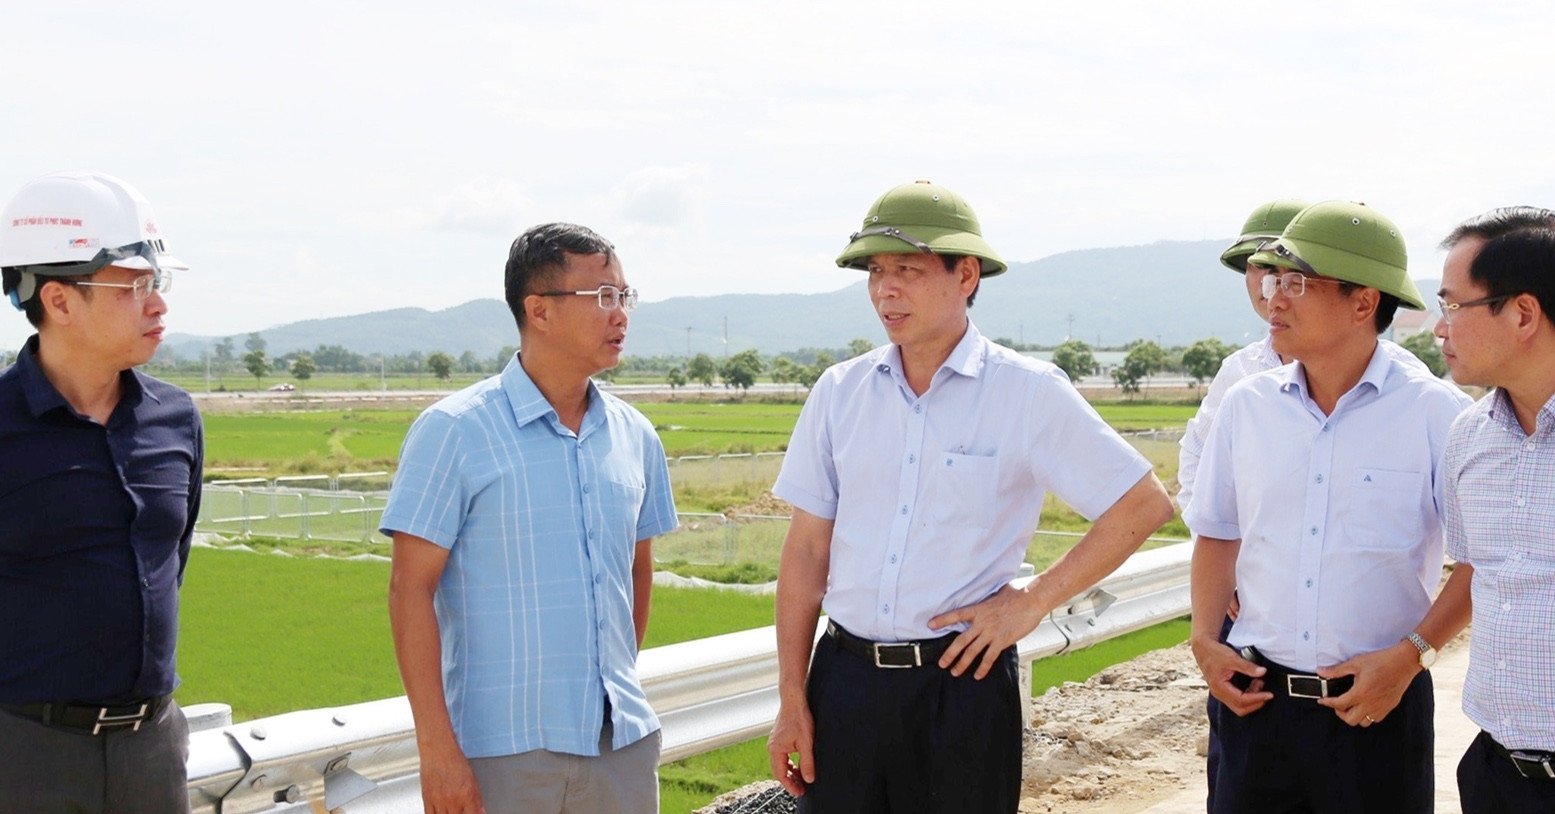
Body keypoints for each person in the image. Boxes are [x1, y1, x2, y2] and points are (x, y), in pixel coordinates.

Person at [766, 180, 1175, 812]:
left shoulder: (1027, 391)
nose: (885, 290)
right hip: (844, 682)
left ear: (967, 275)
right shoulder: (840, 391)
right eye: (875, 272)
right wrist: (793, 697)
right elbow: (805, 553)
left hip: (962, 684)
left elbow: (1142, 504)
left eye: (907, 270)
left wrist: (1032, 602)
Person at [1186, 200, 1473, 813]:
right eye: (1271, 281)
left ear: (1363, 302)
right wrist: (1206, 640)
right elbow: (1217, 531)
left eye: (1296, 283)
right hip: (1254, 704)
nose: (1273, 299)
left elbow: (1481, 560)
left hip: (1374, 709)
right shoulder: (1247, 406)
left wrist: (1411, 658)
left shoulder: (1434, 415)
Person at [382, 223, 678, 814]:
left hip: (620, 745)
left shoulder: (635, 436)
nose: (620, 314)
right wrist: (437, 751)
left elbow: (635, 575)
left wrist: (607, 683)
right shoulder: (455, 430)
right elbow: (409, 591)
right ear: (538, 310)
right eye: (601, 297)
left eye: (624, 295)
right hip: (501, 755)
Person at [0, 170, 202, 813]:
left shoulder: (176, 419)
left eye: (158, 283)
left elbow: (172, 563)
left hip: (152, 751)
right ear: (58, 299)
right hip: (22, 751)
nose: (159, 305)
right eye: (134, 285)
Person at [1432, 207, 1555, 813]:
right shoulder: (1467, 437)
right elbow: (1475, 569)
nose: (1439, 327)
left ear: (1523, 313)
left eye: (1454, 305)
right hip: (1495, 773)